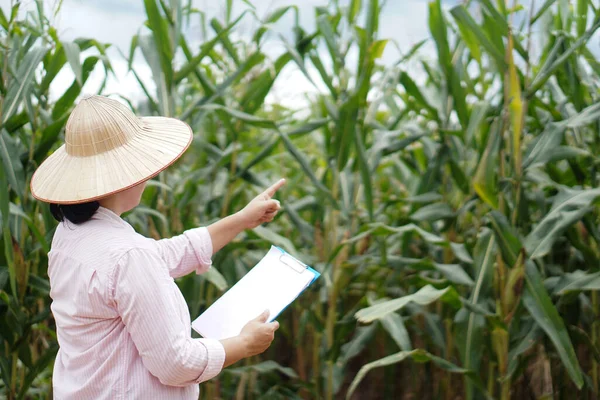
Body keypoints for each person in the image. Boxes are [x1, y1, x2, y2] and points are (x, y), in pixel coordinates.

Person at [30, 95, 284, 399]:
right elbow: (176, 364)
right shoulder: (127, 255)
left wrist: (241, 219)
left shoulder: (70, 235)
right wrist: (244, 344)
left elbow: (160, 257)